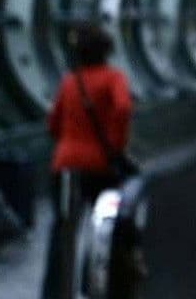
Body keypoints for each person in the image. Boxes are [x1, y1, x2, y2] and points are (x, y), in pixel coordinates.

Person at [43, 23, 132, 298]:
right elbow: (123, 107)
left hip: (66, 165)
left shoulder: (71, 82)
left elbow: (53, 124)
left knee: (63, 230)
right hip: (100, 166)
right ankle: (98, 286)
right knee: (106, 227)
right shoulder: (113, 78)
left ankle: (56, 291)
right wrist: (115, 143)